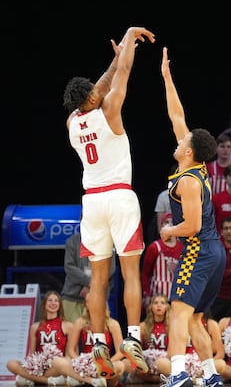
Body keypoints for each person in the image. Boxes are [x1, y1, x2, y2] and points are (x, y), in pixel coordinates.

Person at [63, 26, 154, 376]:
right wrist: (129, 39)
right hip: (119, 197)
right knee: (130, 273)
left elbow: (101, 86)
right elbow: (122, 77)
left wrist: (113, 62)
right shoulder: (110, 110)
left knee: (98, 280)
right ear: (93, 98)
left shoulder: (73, 122)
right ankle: (131, 337)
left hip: (92, 202)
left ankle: (99, 342)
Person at [159, 46, 226, 387]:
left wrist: (170, 230)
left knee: (178, 313)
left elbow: (194, 225)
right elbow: (176, 116)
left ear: (187, 151)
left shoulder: (187, 180)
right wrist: (167, 77)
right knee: (197, 318)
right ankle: (212, 376)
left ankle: (178, 373)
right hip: (214, 252)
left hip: (199, 249)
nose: (178, 138)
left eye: (181, 140)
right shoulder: (195, 165)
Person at [6, 291, 73, 386]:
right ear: (44, 304)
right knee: (11, 363)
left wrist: (57, 362)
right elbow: (31, 354)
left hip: (56, 366)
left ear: (60, 305)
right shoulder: (35, 327)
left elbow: (69, 355)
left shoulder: (68, 326)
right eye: (50, 300)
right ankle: (47, 381)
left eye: (56, 301)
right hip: (38, 366)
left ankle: (30, 378)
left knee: (62, 364)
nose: (53, 303)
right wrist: (33, 365)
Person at [49, 306, 126, 387]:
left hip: (104, 365)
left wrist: (107, 363)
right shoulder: (80, 322)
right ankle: (93, 381)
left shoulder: (112, 323)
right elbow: (71, 349)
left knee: (121, 365)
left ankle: (84, 379)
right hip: (85, 363)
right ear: (86, 305)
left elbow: (120, 352)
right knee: (56, 361)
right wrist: (79, 363)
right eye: (89, 301)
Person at [61, 232, 116, 322]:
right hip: (72, 297)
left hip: (99, 295)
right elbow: (69, 267)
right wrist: (88, 282)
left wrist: (90, 286)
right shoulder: (72, 241)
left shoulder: (108, 242)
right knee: (71, 332)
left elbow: (110, 269)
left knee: (100, 332)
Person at [141, 213, 183, 314]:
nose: (169, 226)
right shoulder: (155, 247)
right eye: (166, 223)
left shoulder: (183, 248)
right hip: (157, 297)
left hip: (176, 298)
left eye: (172, 223)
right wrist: (146, 294)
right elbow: (145, 273)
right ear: (161, 226)